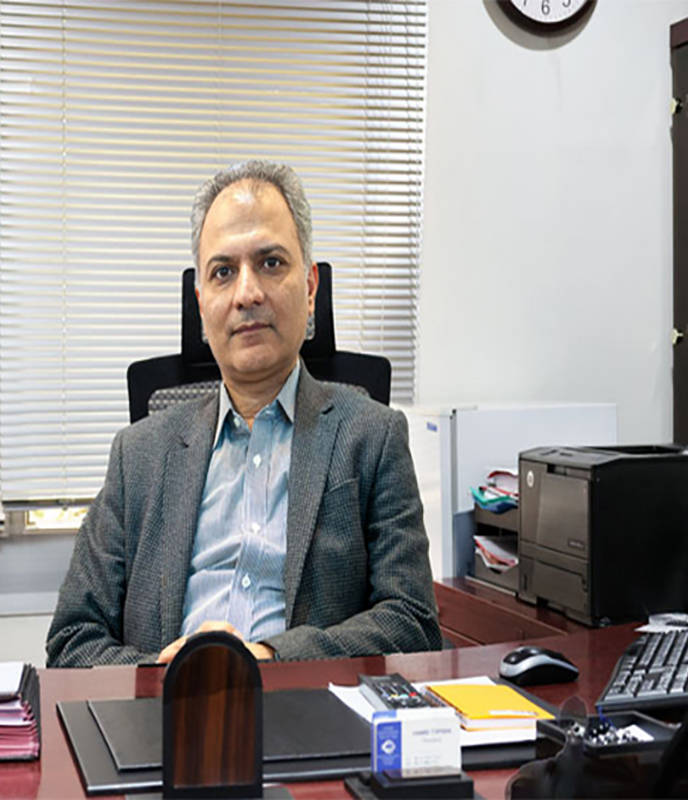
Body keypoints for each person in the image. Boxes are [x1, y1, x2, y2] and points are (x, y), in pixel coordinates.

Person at [46, 160, 441, 667]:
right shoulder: (137, 455)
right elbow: (72, 639)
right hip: (163, 707)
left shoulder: (372, 436)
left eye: (271, 263)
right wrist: (162, 674)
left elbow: (412, 622)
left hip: (308, 704)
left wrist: (269, 659)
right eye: (223, 272)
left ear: (311, 288)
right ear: (201, 303)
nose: (247, 293)